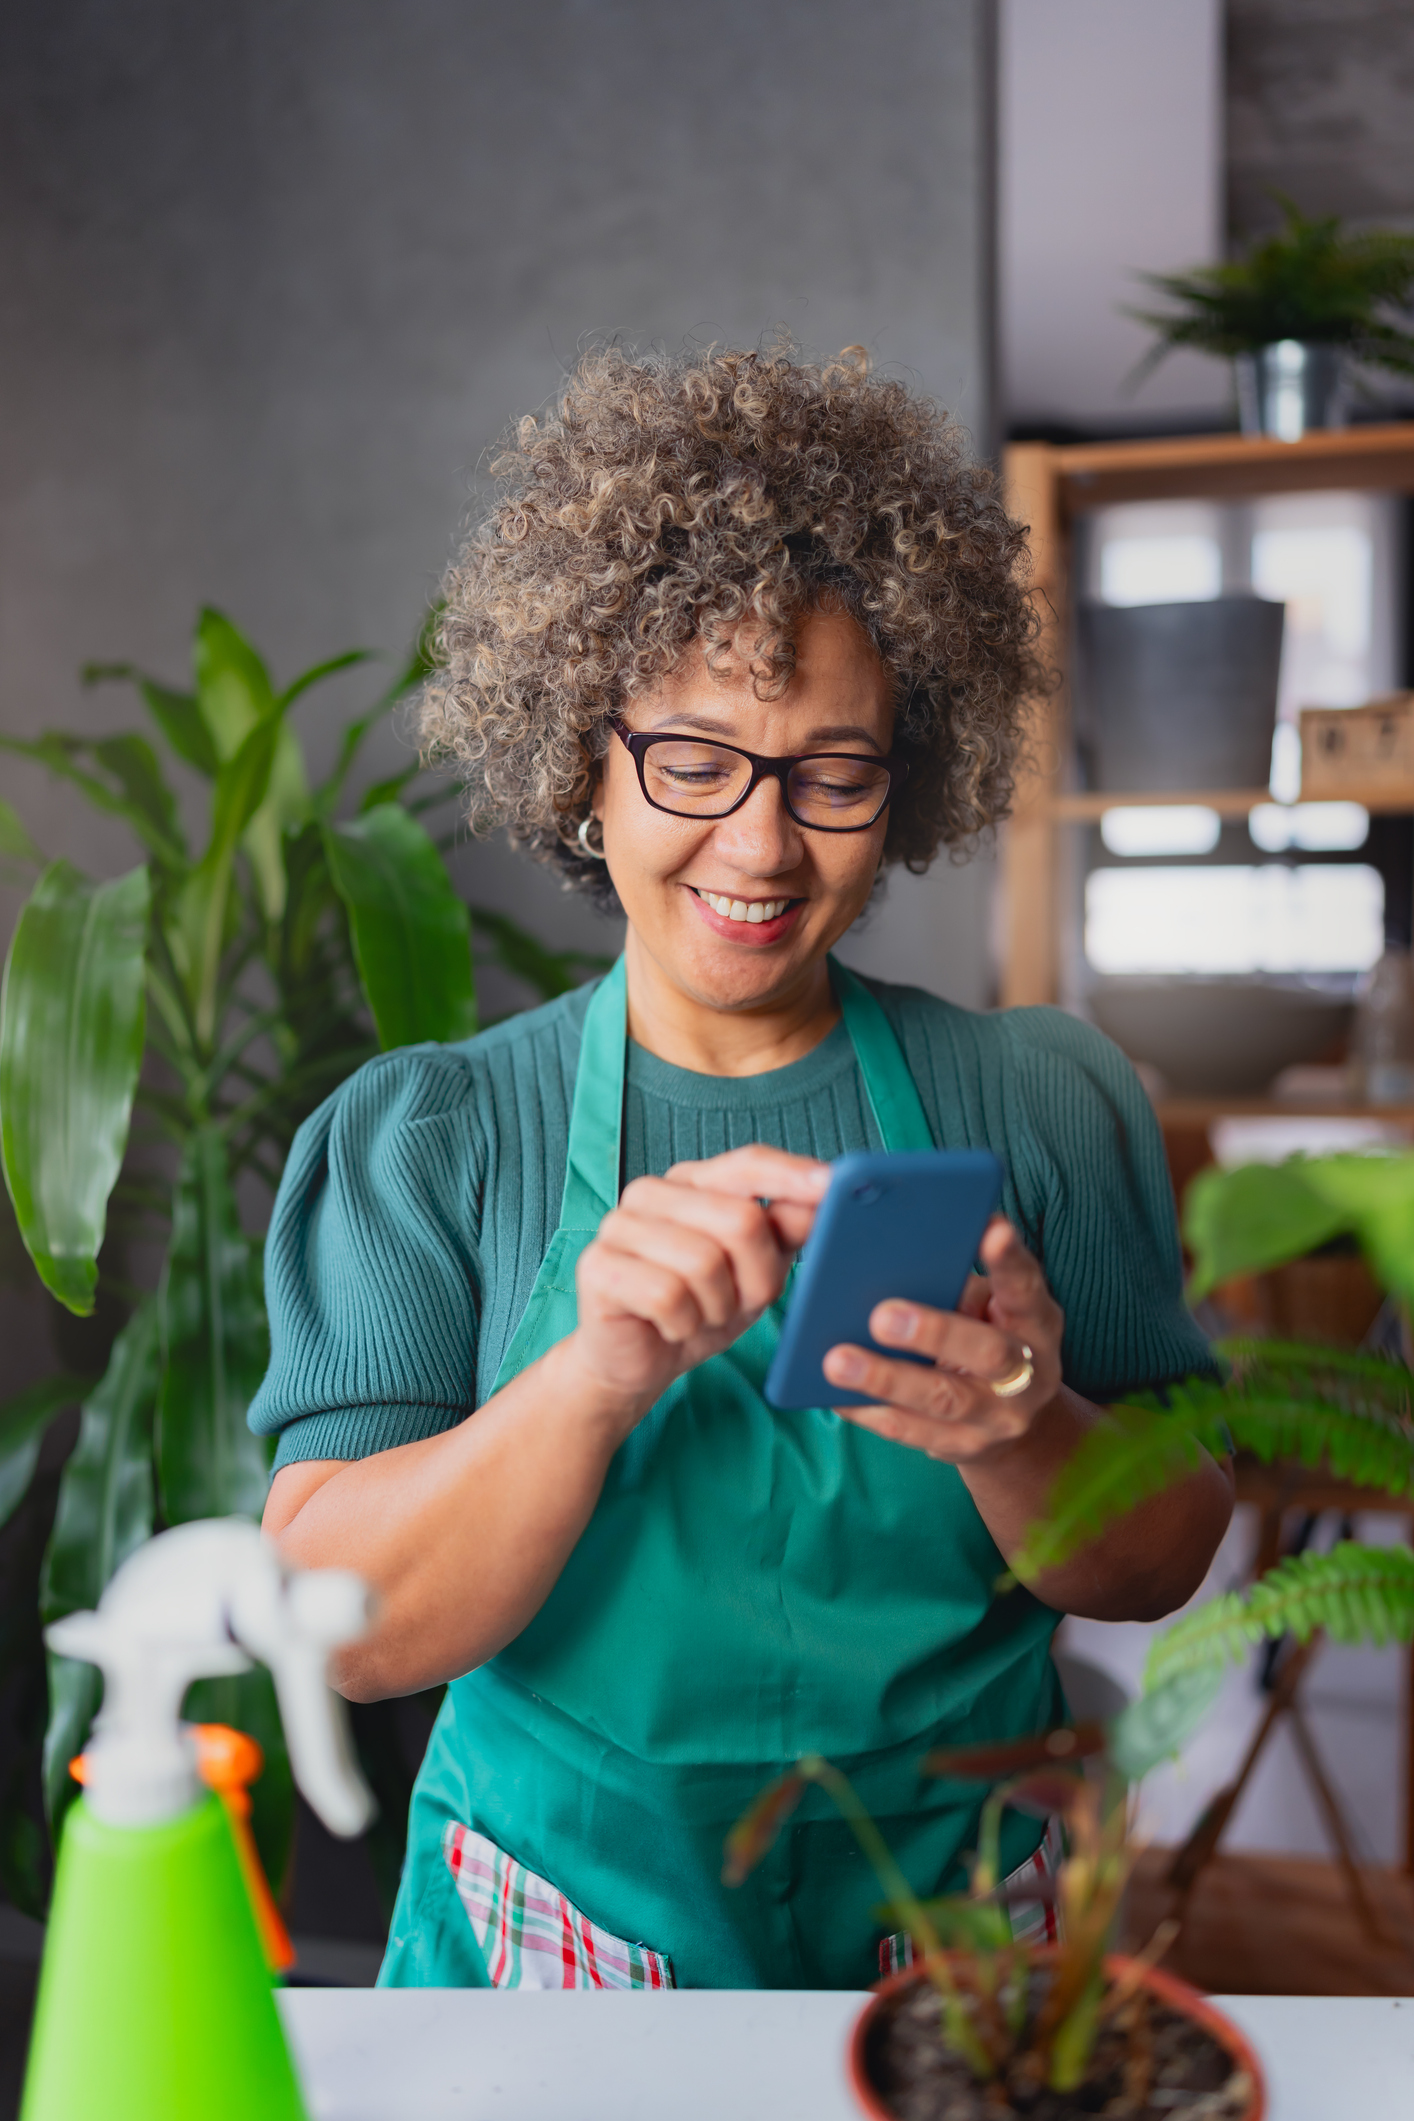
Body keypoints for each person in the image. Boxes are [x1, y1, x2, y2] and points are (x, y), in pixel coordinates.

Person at [253, 343, 1232, 1991]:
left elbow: (1160, 1559)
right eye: (692, 762)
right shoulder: (426, 1136)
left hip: (946, 1942)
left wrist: (1019, 1427)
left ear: (901, 780)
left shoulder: (1045, 1099)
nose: (763, 843)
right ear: (585, 763)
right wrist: (585, 1381)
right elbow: (341, 1631)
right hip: (551, 1928)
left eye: (830, 773)